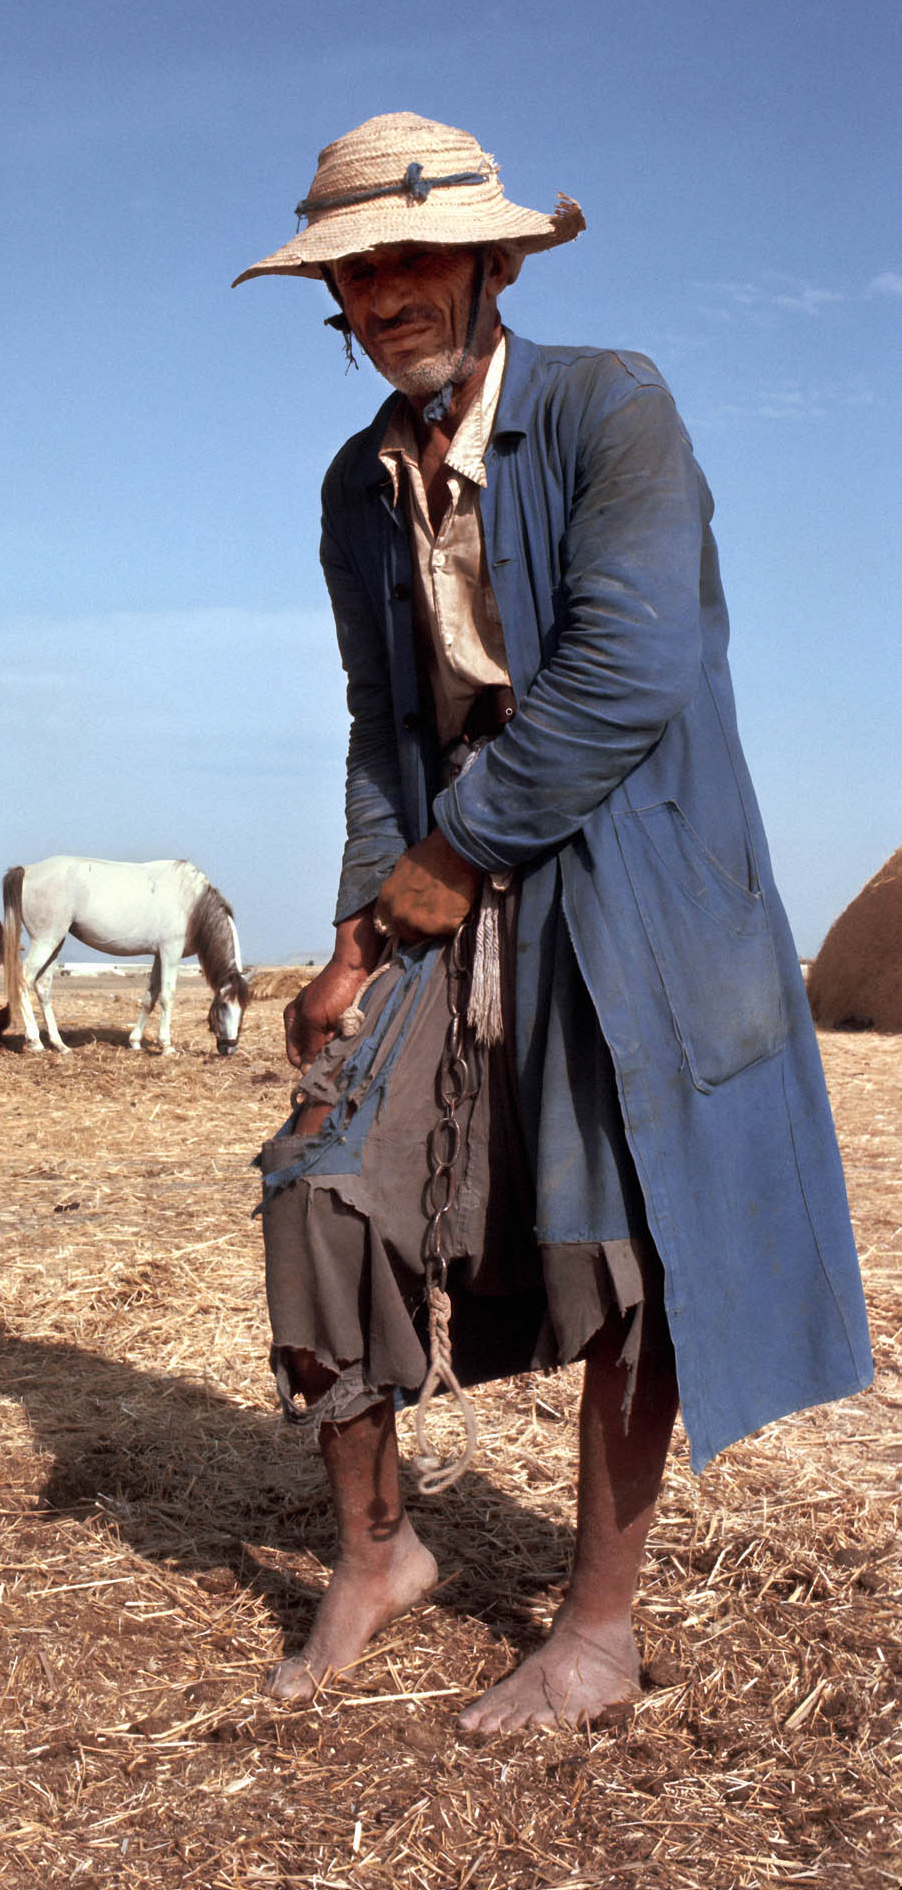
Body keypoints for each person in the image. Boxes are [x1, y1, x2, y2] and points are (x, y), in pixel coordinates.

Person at [232, 112, 872, 1731]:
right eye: (352, 270)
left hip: (639, 871)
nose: (382, 296)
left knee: (629, 1239)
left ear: (493, 260)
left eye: (408, 258)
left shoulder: (610, 407)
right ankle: (377, 1556)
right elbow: (385, 725)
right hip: (448, 865)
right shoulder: (354, 484)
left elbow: (626, 675)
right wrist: (358, 937)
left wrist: (454, 860)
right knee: (320, 1175)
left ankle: (594, 1628)